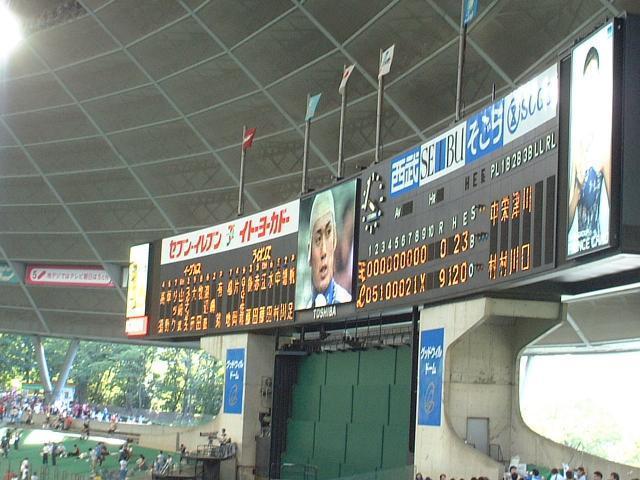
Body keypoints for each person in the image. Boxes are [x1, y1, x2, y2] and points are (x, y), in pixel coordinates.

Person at [567, 43, 612, 255]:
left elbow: (618, 213)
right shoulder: (576, 151)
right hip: (578, 252)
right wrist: (577, 187)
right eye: (588, 75)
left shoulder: (604, 150)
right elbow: (565, 224)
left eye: (595, 74)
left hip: (599, 251)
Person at [303, 190, 352, 308]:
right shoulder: (303, 309)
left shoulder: (346, 301)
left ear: (334, 241)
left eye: (329, 233)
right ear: (309, 253)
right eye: (318, 239)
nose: (323, 251)